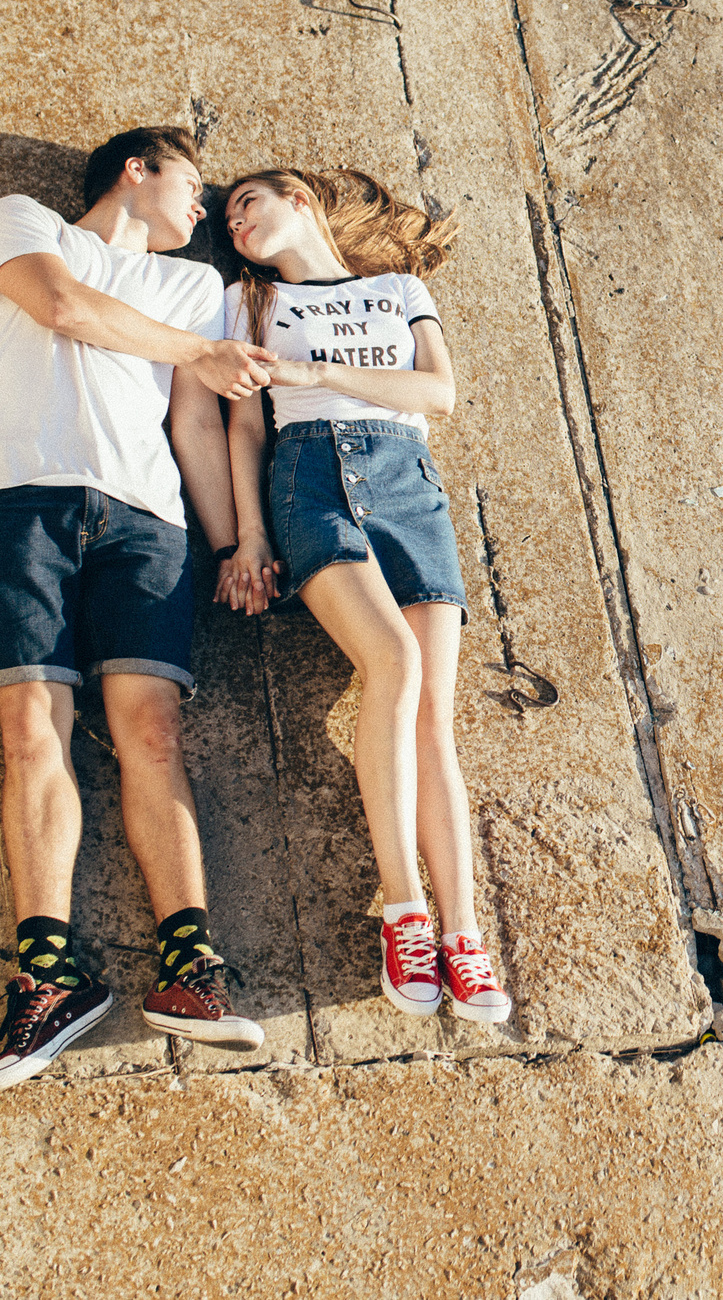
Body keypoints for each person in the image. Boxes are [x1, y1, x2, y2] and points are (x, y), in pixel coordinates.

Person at [0, 126, 274, 1092]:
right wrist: (202, 350)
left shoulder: (194, 286)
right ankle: (49, 978)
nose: (205, 209)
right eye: (195, 184)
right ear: (138, 168)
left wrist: (235, 540)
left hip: (145, 525)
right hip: (14, 502)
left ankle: (190, 968)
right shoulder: (25, 222)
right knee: (33, 729)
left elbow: (193, 423)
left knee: (153, 732)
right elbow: (62, 306)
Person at [215, 167, 513, 1024]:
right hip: (309, 479)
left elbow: (438, 393)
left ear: (300, 200)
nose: (236, 224)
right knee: (392, 663)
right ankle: (404, 909)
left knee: (434, 716)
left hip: (410, 482)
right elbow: (243, 422)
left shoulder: (397, 287)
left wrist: (310, 365)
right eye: (229, 218)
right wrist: (251, 535)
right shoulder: (249, 302)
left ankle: (465, 933)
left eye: (249, 205)